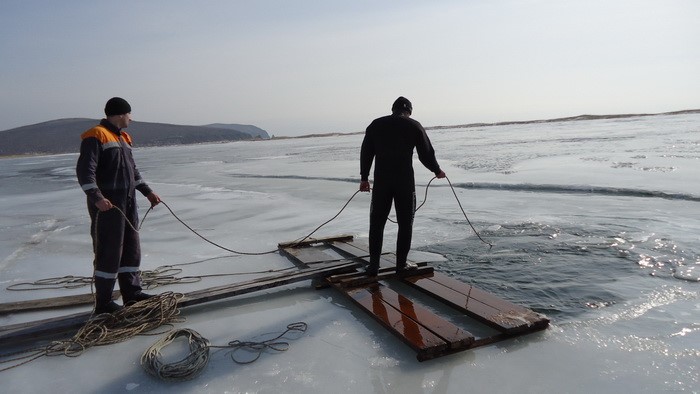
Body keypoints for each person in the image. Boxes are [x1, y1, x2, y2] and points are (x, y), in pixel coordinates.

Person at [76, 97, 161, 314]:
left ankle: (131, 294)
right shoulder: (95, 135)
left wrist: (148, 192)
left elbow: (133, 171)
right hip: (108, 207)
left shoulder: (124, 138)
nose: (131, 118)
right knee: (109, 251)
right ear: (120, 114)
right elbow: (86, 173)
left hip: (128, 204)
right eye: (129, 114)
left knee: (131, 249)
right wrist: (97, 198)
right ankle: (104, 303)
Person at [359, 96, 446, 277]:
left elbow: (366, 152)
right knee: (406, 224)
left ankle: (373, 266)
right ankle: (401, 266)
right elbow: (426, 153)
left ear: (393, 109)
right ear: (409, 111)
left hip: (382, 181)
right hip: (404, 182)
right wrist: (436, 170)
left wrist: (364, 178)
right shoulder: (414, 126)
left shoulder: (376, 124)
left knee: (377, 223)